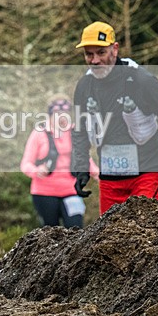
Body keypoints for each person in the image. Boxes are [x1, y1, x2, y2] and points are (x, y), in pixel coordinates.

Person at [70, 21, 158, 215]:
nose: (95, 60)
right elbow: (80, 130)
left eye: (101, 52)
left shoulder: (141, 81)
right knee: (108, 236)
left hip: (148, 170)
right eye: (89, 54)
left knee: (142, 226)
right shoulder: (84, 86)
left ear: (115, 49)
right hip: (110, 175)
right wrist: (81, 169)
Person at [20, 95, 99, 228]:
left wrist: (99, 175)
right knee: (50, 232)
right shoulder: (39, 133)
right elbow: (25, 164)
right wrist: (36, 170)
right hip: (44, 192)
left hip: (71, 190)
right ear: (50, 115)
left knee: (75, 230)